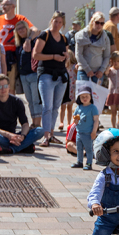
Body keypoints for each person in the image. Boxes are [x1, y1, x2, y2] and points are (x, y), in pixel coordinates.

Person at [33, 11, 69, 147]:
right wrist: (53, 56)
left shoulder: (64, 38)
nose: (57, 24)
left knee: (55, 107)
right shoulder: (44, 35)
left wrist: (66, 56)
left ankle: (52, 134)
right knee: (47, 106)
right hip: (46, 74)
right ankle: (46, 136)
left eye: (60, 22)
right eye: (56, 21)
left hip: (61, 74)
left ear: (63, 24)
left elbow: (67, 55)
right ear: (51, 20)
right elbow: (35, 55)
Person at [0, 74, 44, 154]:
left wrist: (22, 136)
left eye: (5, 86)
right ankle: (22, 147)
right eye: (0, 87)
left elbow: (25, 123)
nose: (3, 89)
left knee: (40, 130)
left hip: (14, 136)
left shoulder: (17, 101)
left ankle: (11, 149)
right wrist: (8, 135)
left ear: (9, 86)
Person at [0, 0, 35, 94]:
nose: (3, 7)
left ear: (13, 6)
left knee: (10, 85)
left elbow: (35, 30)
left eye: (5, 5)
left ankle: (10, 106)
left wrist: (28, 40)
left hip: (12, 57)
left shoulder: (20, 18)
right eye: (2, 4)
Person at [13, 20, 42, 125]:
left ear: (27, 28)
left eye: (22, 28)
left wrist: (29, 39)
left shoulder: (34, 40)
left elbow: (38, 30)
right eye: (18, 29)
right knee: (30, 101)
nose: (21, 30)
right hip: (23, 75)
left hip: (33, 74)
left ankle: (37, 124)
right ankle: (34, 123)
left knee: (36, 100)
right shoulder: (18, 42)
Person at [75, 12, 112, 84]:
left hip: (98, 73)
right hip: (84, 71)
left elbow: (107, 56)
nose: (99, 25)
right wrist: (87, 69)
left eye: (102, 23)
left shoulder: (105, 38)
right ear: (92, 21)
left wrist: (102, 70)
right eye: (97, 22)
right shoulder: (82, 35)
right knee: (83, 94)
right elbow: (78, 54)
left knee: (95, 95)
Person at [71, 83, 99, 170]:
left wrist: (94, 131)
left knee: (88, 149)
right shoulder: (78, 107)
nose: (84, 98)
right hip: (79, 132)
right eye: (82, 97)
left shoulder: (93, 108)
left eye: (86, 96)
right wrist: (75, 120)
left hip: (88, 133)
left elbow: (96, 120)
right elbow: (75, 119)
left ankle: (89, 163)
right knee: (79, 148)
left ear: (90, 96)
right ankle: (79, 162)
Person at [58, 49, 78, 131]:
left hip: (71, 89)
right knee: (62, 107)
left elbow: (77, 74)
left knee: (70, 107)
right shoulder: (62, 66)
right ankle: (61, 122)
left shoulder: (73, 67)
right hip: (64, 89)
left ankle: (68, 123)